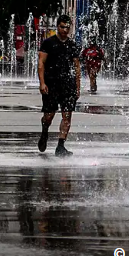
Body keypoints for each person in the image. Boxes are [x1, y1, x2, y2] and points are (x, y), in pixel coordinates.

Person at [38, 14, 81, 157]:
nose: (65, 30)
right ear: (57, 27)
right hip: (51, 84)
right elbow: (41, 63)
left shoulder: (73, 45)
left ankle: (61, 146)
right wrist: (42, 82)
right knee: (49, 115)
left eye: (68, 27)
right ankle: (45, 131)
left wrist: (77, 87)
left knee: (67, 115)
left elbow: (76, 67)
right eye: (63, 26)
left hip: (67, 85)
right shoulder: (48, 43)